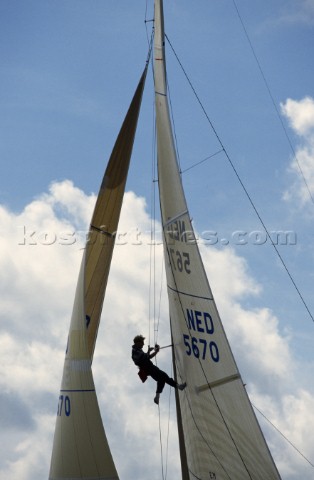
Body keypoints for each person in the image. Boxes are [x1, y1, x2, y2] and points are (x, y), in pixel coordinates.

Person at [132, 334, 186, 405]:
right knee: (163, 375)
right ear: (137, 342)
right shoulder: (135, 352)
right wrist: (152, 351)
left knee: (161, 379)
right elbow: (145, 357)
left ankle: (157, 396)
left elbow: (147, 357)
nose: (143, 344)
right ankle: (178, 386)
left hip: (150, 367)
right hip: (148, 368)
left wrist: (153, 351)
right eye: (142, 342)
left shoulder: (138, 350)